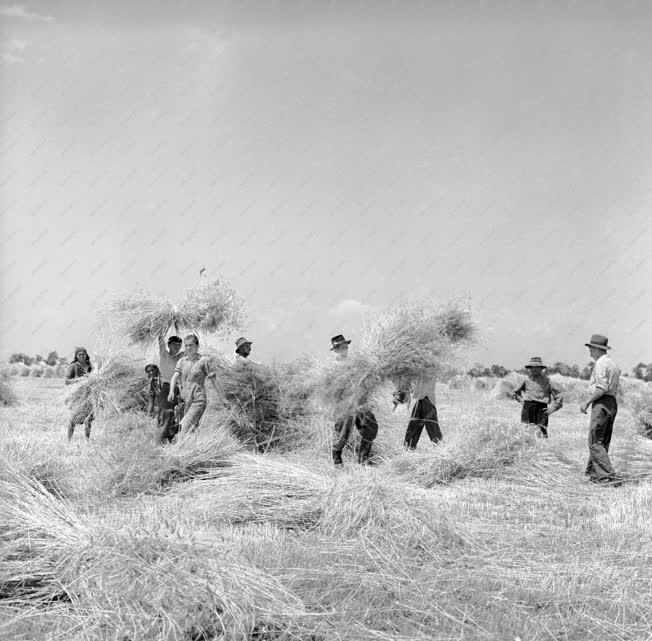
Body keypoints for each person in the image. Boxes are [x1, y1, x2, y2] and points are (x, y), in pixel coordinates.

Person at [330, 334, 378, 468]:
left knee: (371, 428)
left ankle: (363, 459)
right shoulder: (333, 367)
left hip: (360, 402)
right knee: (343, 435)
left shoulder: (354, 362)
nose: (345, 348)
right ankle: (337, 459)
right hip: (344, 405)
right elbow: (332, 389)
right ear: (336, 349)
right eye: (341, 346)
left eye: (346, 346)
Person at [580, 334, 621, 485]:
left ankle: (609, 476)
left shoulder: (600, 364)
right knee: (602, 440)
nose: (589, 351)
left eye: (591, 348)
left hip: (602, 402)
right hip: (612, 403)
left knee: (595, 441)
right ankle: (595, 474)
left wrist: (586, 402)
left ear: (598, 349)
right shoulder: (613, 364)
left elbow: (601, 388)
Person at [168, 334, 220, 434]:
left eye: (191, 345)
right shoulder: (182, 361)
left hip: (198, 399)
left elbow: (213, 379)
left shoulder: (204, 361)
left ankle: (177, 448)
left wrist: (222, 398)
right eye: (186, 345)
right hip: (185, 400)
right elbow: (175, 377)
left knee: (182, 427)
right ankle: (192, 448)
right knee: (191, 429)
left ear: (197, 346)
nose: (188, 348)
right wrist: (171, 391)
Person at [513, 357, 563, 438]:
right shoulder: (526, 380)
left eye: (536, 367)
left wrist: (552, 408)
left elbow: (559, 395)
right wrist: (522, 400)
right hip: (528, 408)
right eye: (531, 367)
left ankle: (542, 449)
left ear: (541, 369)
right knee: (526, 431)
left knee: (541, 432)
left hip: (541, 409)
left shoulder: (548, 381)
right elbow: (516, 393)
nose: (534, 369)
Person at [402, 368, 443, 450]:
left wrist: (417, 369)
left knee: (431, 423)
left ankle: (440, 448)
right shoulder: (423, 366)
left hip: (427, 398)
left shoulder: (430, 366)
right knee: (414, 422)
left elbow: (427, 374)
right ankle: (409, 447)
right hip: (421, 399)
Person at [157, 333, 184, 443]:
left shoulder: (180, 357)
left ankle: (171, 439)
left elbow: (192, 346)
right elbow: (160, 339)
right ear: (169, 345)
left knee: (176, 414)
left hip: (178, 389)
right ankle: (161, 438)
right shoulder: (164, 354)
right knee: (166, 412)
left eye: (179, 345)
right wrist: (163, 325)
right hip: (166, 387)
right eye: (174, 345)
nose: (176, 348)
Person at [65, 347, 93, 440]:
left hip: (88, 394)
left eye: (83, 354)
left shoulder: (90, 365)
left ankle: (87, 440)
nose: (81, 356)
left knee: (88, 419)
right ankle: (69, 440)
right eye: (79, 354)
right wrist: (80, 379)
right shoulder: (73, 366)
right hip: (77, 395)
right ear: (76, 356)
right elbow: (67, 381)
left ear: (86, 355)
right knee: (73, 418)